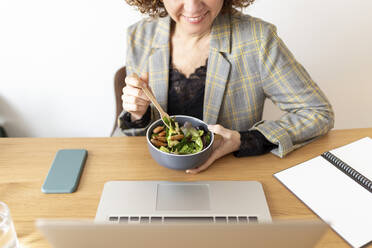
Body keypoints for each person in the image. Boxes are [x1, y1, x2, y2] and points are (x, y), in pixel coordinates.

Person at [113, 0, 334, 174]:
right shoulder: (140, 36)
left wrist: (243, 140)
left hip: (231, 177)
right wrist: (137, 114)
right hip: (156, 176)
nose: (192, 7)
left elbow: (318, 113)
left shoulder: (258, 40)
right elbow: (133, 136)